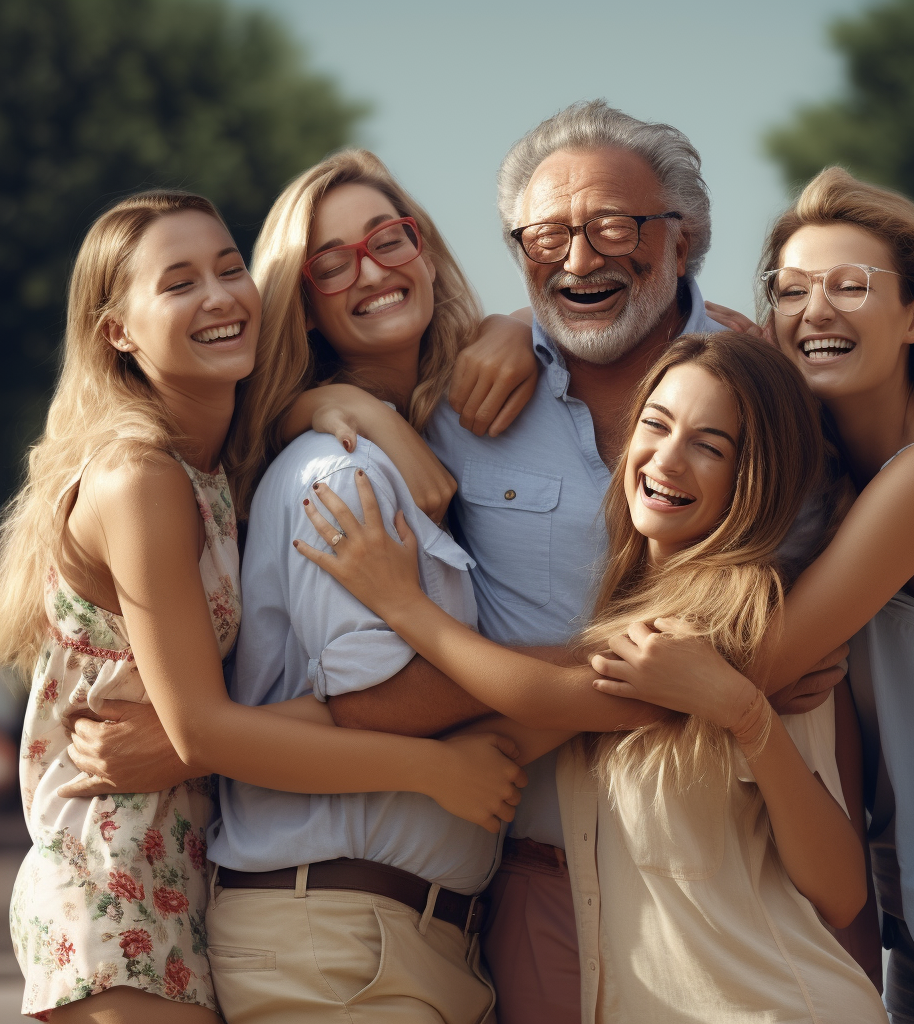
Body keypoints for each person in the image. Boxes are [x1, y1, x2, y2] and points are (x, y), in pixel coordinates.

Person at [322, 99, 852, 1022]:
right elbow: (290, 396)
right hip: (533, 881)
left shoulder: (783, 397)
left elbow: (788, 653)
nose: (578, 260)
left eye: (613, 227)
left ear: (682, 239)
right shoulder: (460, 396)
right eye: (547, 235)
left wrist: (748, 669)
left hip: (740, 880)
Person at [0, 190, 526, 1023]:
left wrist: (345, 407)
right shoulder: (139, 479)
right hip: (116, 893)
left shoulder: (212, 470)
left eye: (229, 267)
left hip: (185, 881)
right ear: (118, 331)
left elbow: (201, 734)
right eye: (178, 283)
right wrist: (432, 768)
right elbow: (201, 731)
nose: (218, 296)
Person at [294, 332, 888, 1023]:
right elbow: (532, 709)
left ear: (751, 477)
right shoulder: (632, 616)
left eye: (710, 445)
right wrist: (218, 730)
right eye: (656, 425)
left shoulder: (739, 622)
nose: (666, 458)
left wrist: (404, 607)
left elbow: (842, 893)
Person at [594, 168, 914, 1024]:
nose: (814, 310)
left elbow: (748, 662)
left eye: (849, 286)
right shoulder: (837, 486)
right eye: (790, 291)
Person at [192, 148, 543, 1024]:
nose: (372, 270)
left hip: (412, 943)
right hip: (338, 946)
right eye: (331, 262)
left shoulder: (440, 439)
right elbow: (377, 701)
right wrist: (608, 677)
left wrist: (522, 327)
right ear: (303, 306)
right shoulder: (339, 477)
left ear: (423, 249)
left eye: (388, 239)